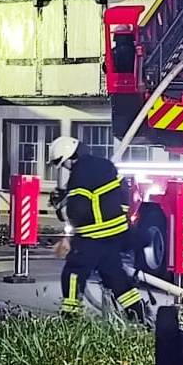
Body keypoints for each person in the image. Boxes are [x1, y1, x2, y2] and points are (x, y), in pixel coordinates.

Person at [47, 135, 145, 321]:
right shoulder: (103, 165)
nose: (65, 168)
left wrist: (62, 210)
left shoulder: (80, 172)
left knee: (74, 270)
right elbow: (122, 191)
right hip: (116, 233)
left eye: (63, 164)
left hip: (94, 235)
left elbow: (79, 208)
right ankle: (138, 316)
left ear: (68, 157)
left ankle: (70, 316)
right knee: (114, 275)